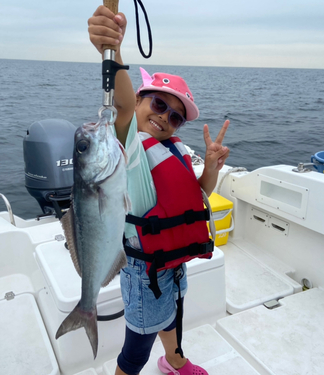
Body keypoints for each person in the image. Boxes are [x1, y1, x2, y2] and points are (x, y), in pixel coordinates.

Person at [88, 5, 230, 375]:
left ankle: (174, 360)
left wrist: (211, 169)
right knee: (136, 351)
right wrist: (113, 50)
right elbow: (119, 106)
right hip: (143, 270)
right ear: (138, 101)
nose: (165, 117)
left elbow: (198, 193)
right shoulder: (131, 147)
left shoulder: (176, 148)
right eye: (159, 104)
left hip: (172, 262)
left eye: (175, 115)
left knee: (172, 317)